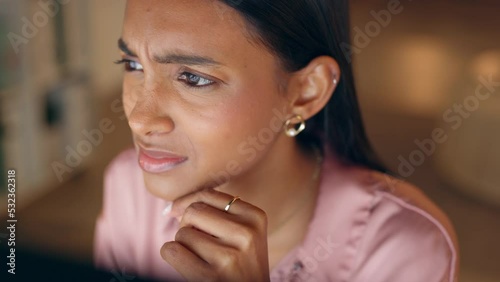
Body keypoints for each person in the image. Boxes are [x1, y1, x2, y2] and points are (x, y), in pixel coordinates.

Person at [94, 0, 459, 281]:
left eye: (192, 78)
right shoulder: (129, 188)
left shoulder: (400, 248)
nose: (140, 118)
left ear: (305, 92)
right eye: (133, 65)